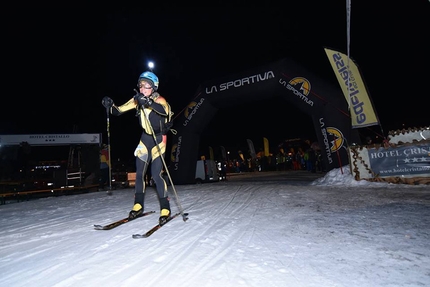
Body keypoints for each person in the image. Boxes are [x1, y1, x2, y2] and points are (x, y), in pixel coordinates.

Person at [101, 71, 173, 225]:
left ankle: (165, 208)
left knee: (155, 174)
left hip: (159, 139)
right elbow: (118, 111)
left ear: (153, 87)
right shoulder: (137, 100)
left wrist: (147, 102)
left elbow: (164, 111)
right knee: (139, 172)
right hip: (145, 138)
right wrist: (110, 105)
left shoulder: (159, 99)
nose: (142, 88)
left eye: (146, 85)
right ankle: (138, 205)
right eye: (141, 85)